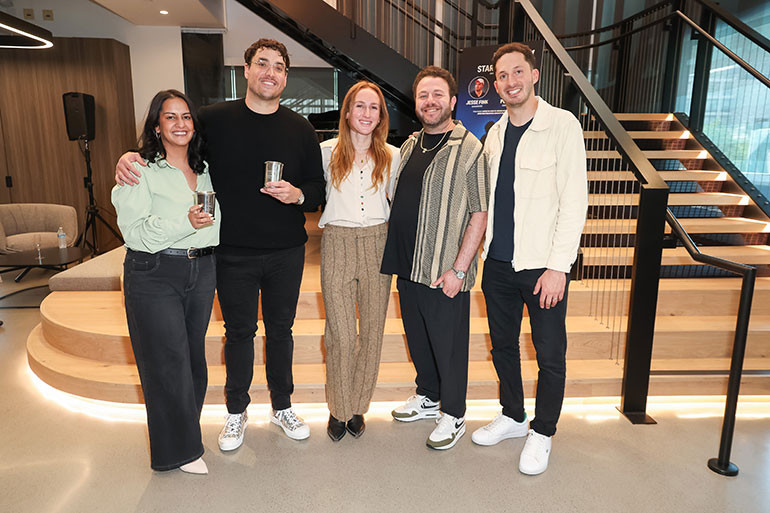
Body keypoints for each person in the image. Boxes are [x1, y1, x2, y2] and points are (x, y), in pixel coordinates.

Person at [115, 39, 325, 450]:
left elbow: (317, 189)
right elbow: (173, 142)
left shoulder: (301, 127)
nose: (269, 72)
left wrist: (298, 194)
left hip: (286, 251)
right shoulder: (212, 119)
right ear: (246, 70)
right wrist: (129, 156)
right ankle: (236, 411)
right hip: (230, 253)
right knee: (239, 332)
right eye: (261, 63)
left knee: (281, 331)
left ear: (286, 76)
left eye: (278, 66)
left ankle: (282, 406)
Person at [470, 42, 588, 475]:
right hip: (498, 264)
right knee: (503, 347)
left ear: (534, 75)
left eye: (518, 72)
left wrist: (559, 267)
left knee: (549, 353)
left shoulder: (563, 125)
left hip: (542, 266)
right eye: (502, 75)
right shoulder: (496, 132)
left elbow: (574, 202)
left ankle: (543, 431)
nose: (510, 81)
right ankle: (513, 415)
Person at [112, 89, 220, 474]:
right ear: (156, 126)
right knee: (167, 361)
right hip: (154, 272)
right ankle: (180, 452)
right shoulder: (139, 169)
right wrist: (183, 223)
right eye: (170, 117)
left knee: (193, 361)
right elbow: (134, 232)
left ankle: (186, 436)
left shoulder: (204, 168)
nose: (180, 123)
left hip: (202, 270)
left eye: (186, 116)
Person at [381, 66, 489, 450]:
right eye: (423, 95)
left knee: (448, 345)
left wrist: (460, 269)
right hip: (409, 264)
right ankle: (428, 395)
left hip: (444, 270)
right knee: (419, 338)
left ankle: (454, 413)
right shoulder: (410, 145)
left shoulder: (470, 149)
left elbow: (480, 212)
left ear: (453, 101)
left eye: (438, 94)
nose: (430, 101)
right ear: (416, 103)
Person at [319, 81, 399, 441]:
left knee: (371, 332)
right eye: (360, 106)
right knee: (340, 333)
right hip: (337, 242)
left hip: (377, 243)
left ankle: (357, 407)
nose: (366, 113)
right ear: (348, 112)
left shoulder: (393, 155)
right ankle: (339, 407)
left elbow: (399, 201)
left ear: (381, 116)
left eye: (374, 107)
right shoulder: (325, 152)